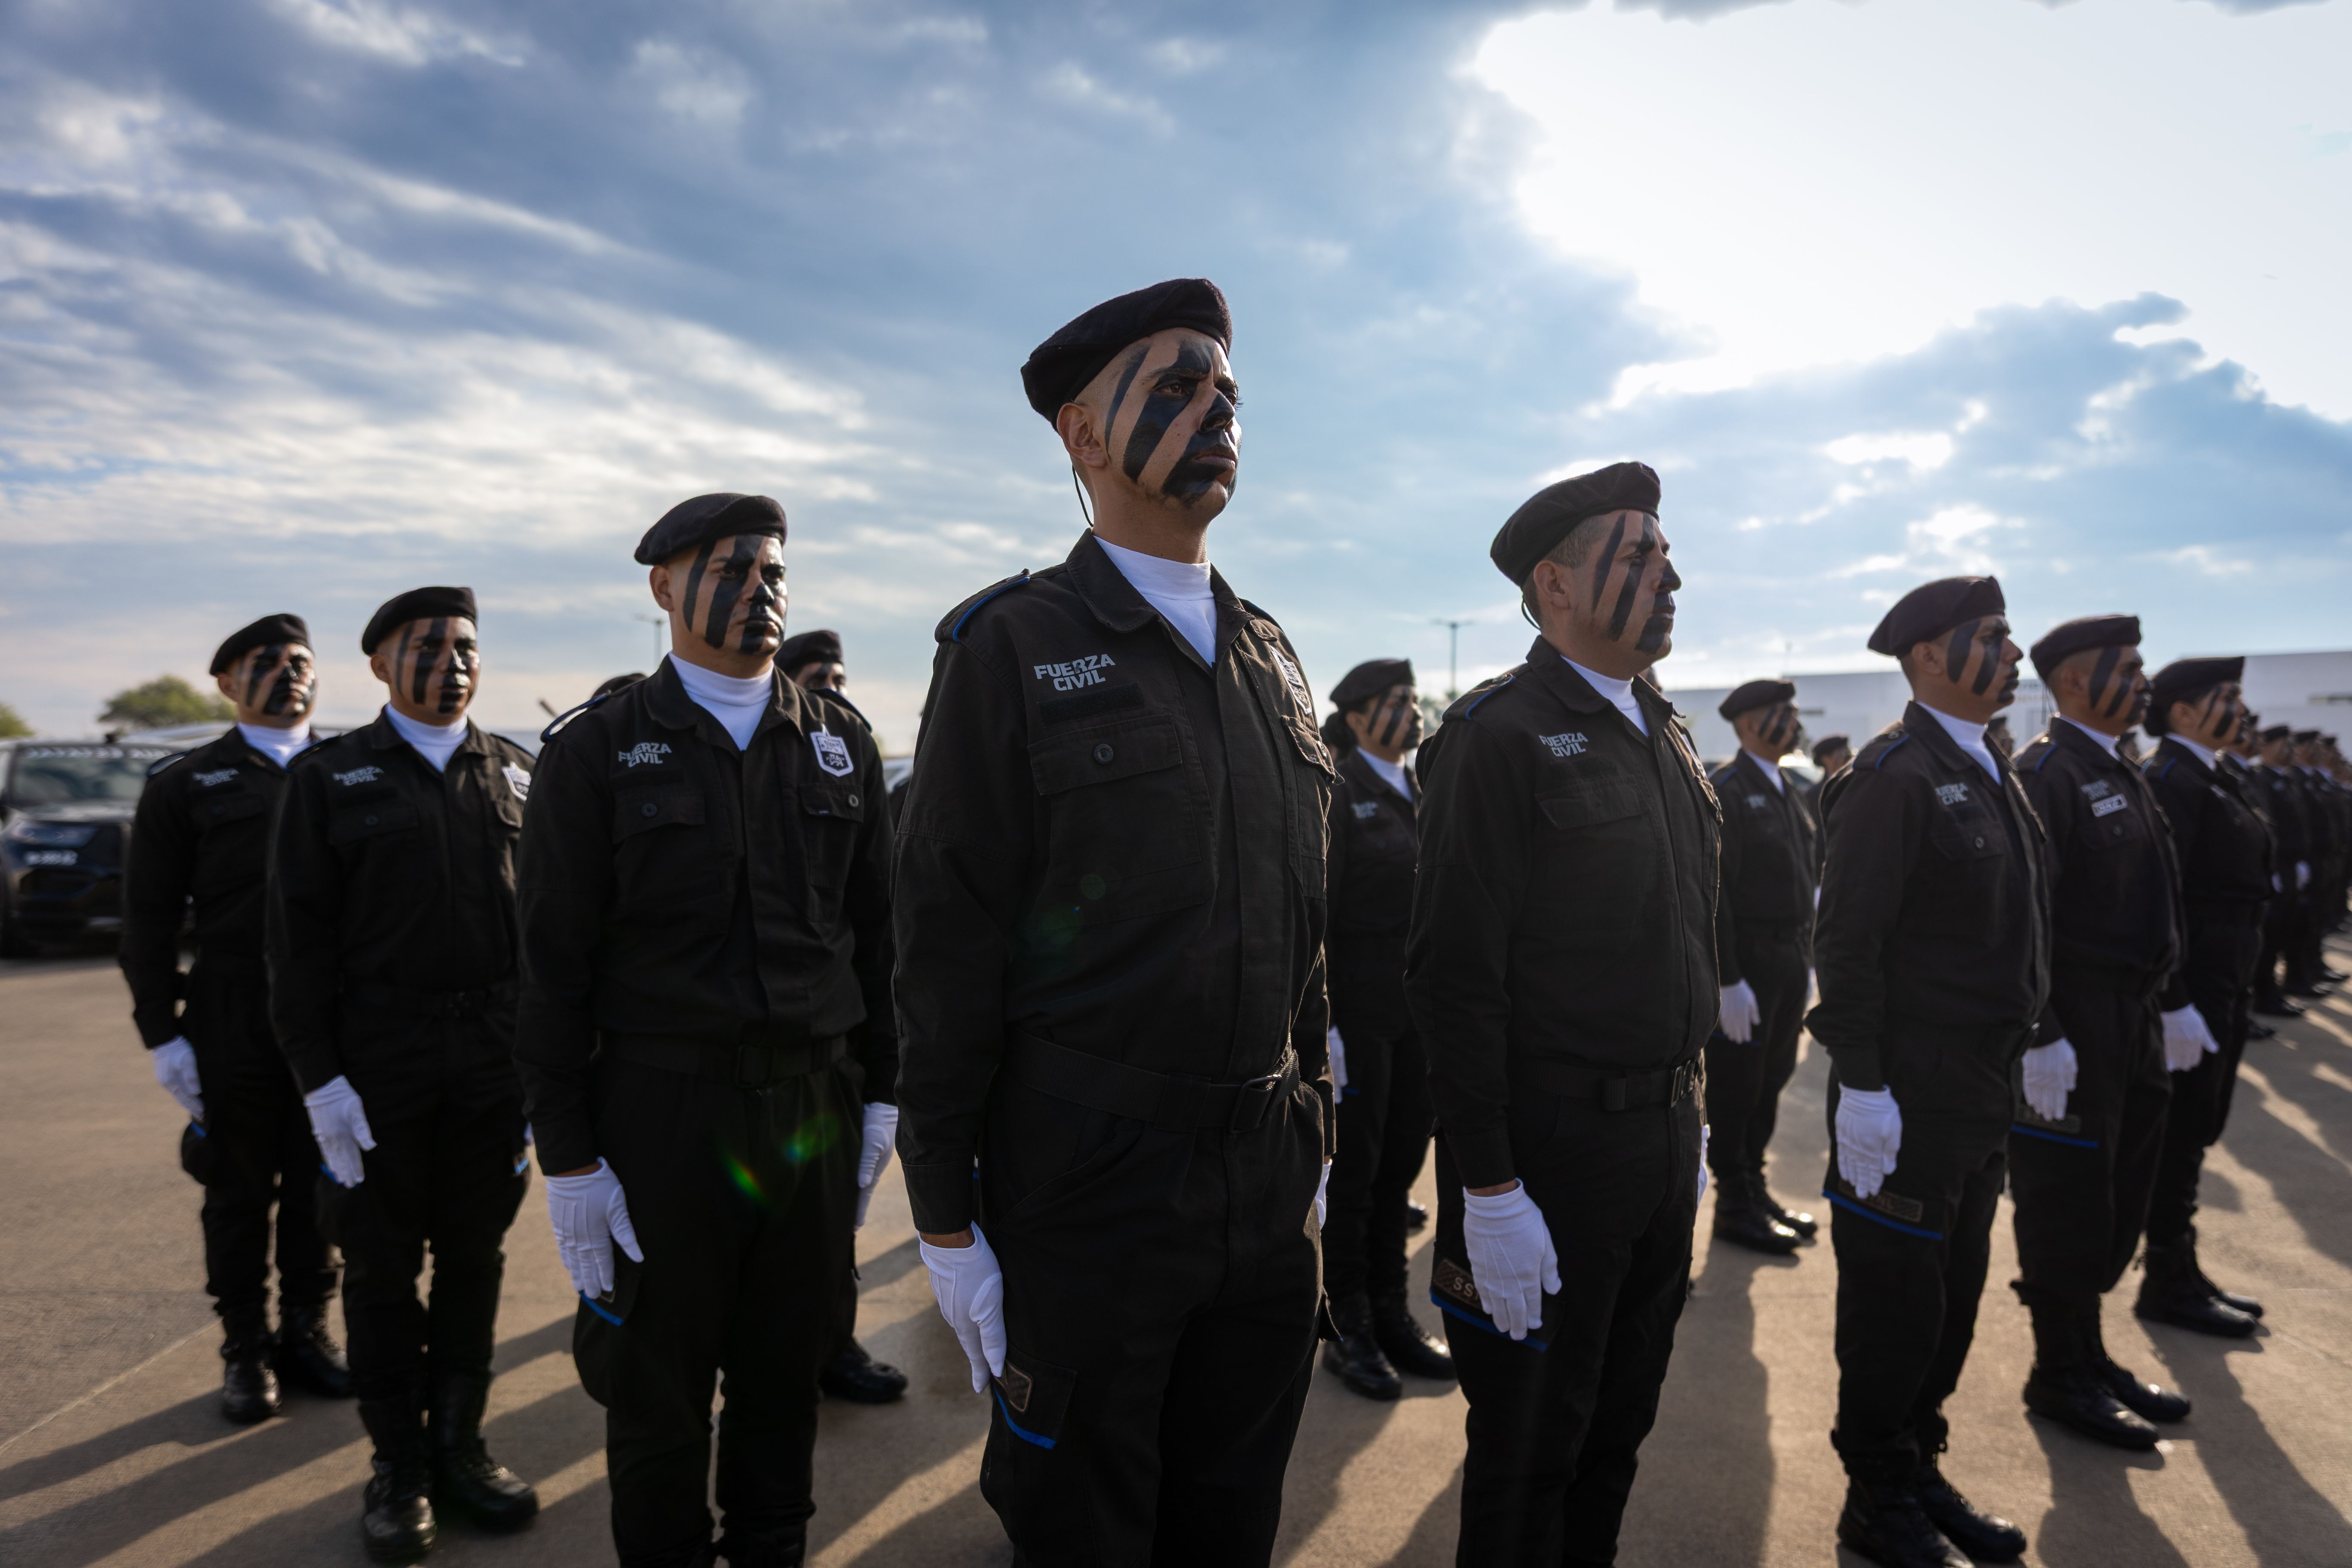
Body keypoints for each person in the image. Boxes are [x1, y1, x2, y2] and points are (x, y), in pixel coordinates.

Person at [893, 279, 1335, 1565]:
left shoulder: (1268, 654)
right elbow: (948, 946)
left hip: (1262, 1179)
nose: (1218, 411)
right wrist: (945, 1213)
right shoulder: (1014, 645)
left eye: (1230, 393)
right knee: (1082, 1524)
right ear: (1084, 438)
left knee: (1230, 1516)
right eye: (1179, 385)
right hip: (1092, 1186)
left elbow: (1302, 909)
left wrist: (1314, 1117)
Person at [515, 494, 897, 1568]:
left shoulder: (838, 744)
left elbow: (878, 943)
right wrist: (571, 1157)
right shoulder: (596, 750)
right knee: (659, 1397)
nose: (758, 589)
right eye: (728, 569)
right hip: (662, 1117)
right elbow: (550, 970)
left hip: (809, 1113)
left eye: (773, 571)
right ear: (663, 588)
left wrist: (880, 1097)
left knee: (787, 1377)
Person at [1408, 460, 1714, 1565]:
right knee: (1528, 1449)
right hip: (1549, 1157)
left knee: (1614, 1432)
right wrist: (1485, 1185)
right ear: (1554, 585)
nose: (1668, 574)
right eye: (1636, 556)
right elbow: (1452, 978)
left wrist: (1696, 1119)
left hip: (1659, 1142)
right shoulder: (1497, 736)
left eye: (1665, 554)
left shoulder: (1666, 736)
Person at [269, 586, 540, 1561]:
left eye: (466, 644)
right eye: (426, 646)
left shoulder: (513, 773)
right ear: (379, 666)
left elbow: (547, 946)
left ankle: (460, 1445)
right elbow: (293, 950)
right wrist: (320, 1081)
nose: (452, 660)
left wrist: (545, 1078)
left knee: (475, 1264)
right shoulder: (331, 778)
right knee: (382, 1275)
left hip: (489, 1074)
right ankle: (398, 1467)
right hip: (376, 1075)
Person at [1807, 575, 2048, 1568]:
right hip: (1901, 1092)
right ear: (1925, 660)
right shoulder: (1895, 776)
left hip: (1971, 1091)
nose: (2011, 652)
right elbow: (1846, 938)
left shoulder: (1987, 762)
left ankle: (1913, 1458)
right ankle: (1872, 1494)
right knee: (1893, 1307)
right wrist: (1859, 1080)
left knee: (1950, 1292)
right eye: (1989, 637)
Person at [120, 614, 346, 1424]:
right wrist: (163, 1035)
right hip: (231, 1018)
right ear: (226, 682)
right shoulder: (187, 783)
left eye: (299, 661)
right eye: (265, 663)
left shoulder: (348, 768)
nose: (288, 674)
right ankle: (245, 1348)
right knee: (239, 1192)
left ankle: (307, 1331)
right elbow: (145, 921)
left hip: (329, 1023)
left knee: (322, 1187)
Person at [2004, 618, 2196, 1448]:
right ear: (2076, 682)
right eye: (2131, 669)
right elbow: (2023, 914)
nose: (2145, 684)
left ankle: (2087, 1346)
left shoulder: (2113, 763)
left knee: (2119, 1190)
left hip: (2131, 1014)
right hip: (2075, 1020)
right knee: (2069, 1199)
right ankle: (2059, 1370)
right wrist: (2041, 1028)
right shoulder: (2047, 771)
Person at [768, 625, 909, 1408]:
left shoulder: (846, 766)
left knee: (829, 1220)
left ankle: (834, 1341)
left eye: (840, 675)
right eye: (816, 675)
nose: (833, 687)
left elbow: (878, 923)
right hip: (757, 1043)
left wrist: (884, 1071)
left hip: (836, 1040)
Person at [1317, 658, 1454, 1402]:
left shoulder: (1420, 789)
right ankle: (1346, 1325)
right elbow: (1319, 917)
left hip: (1415, 1021)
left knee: (1399, 1170)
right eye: (1396, 703)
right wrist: (1325, 1022)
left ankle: (1393, 1314)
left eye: (1412, 699)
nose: (1412, 712)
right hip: (1361, 1021)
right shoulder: (1341, 791)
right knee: (1356, 1178)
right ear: (1360, 716)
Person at [2138, 657, 2274, 1338]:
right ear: (2184, 712)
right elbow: (2161, 898)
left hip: (2231, 970)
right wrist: (2175, 997)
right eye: (2227, 699)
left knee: (2203, 1123)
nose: (2240, 712)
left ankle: (2179, 1265)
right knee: (2183, 1129)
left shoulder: (2216, 774)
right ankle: (2166, 1275)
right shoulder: (2171, 779)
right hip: (2197, 976)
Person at [1706, 679, 1822, 1255]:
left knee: (1772, 1081)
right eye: (1784, 715)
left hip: (1787, 957)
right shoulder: (1729, 787)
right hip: (1748, 961)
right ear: (1750, 724)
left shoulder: (1784, 786)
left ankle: (1755, 1188)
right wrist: (1728, 978)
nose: (1796, 724)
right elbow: (1717, 894)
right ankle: (1733, 1203)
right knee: (1738, 1088)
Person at [2251, 725, 2309, 1017]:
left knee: (2286, 931)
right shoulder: (2262, 779)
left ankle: (2273, 990)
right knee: (2270, 937)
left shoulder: (2284, 780)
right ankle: (2264, 994)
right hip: (2276, 868)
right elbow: (2269, 827)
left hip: (2290, 867)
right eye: (2285, 744)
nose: (2291, 749)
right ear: (2269, 746)